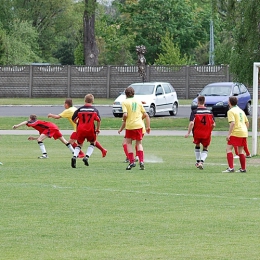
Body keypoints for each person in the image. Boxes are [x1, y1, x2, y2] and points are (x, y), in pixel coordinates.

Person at [71, 94, 107, 168]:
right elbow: (99, 120)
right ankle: (86, 157)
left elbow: (74, 119)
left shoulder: (80, 109)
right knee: (92, 143)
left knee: (79, 144)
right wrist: (97, 129)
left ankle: (74, 156)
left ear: (85, 100)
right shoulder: (94, 110)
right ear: (93, 101)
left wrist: (78, 123)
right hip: (90, 129)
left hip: (81, 129)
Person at [121, 86, 151, 170]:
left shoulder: (124, 102)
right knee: (139, 143)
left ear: (126, 94)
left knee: (129, 143)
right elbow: (145, 114)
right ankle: (141, 161)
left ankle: (132, 161)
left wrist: (124, 119)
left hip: (130, 126)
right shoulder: (138, 102)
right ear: (133, 93)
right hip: (139, 125)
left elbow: (125, 114)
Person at [184, 96, 215, 169]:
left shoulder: (194, 112)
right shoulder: (209, 112)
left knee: (197, 145)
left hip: (197, 132)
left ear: (198, 102)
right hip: (206, 133)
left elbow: (191, 123)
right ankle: (201, 162)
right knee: (205, 147)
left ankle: (198, 162)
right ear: (204, 102)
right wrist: (210, 130)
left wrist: (188, 133)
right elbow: (213, 124)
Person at [222, 96, 249, 173]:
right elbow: (247, 123)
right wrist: (244, 130)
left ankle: (231, 168)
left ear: (229, 102)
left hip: (236, 132)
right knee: (240, 151)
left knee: (228, 149)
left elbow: (232, 123)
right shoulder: (241, 110)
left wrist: (229, 134)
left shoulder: (230, 111)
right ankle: (243, 169)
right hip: (243, 132)